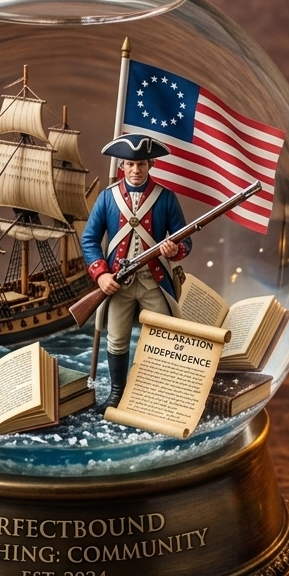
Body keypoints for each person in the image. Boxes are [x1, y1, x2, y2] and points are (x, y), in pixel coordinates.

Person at [81, 135, 191, 409]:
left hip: (154, 281)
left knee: (164, 337)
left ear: (150, 164)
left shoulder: (166, 198)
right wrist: (102, 274)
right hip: (118, 283)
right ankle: (118, 392)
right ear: (121, 166)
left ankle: (161, 394)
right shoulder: (108, 198)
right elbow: (90, 240)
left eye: (141, 163)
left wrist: (173, 251)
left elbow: (185, 241)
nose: (135, 170)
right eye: (130, 164)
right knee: (117, 339)